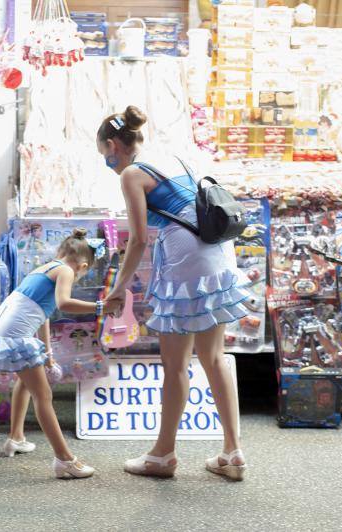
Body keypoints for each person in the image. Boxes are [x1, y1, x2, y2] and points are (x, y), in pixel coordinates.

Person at [97, 106, 250, 480]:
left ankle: (163, 455)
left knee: (176, 364)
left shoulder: (133, 174)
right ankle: (233, 453)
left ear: (115, 145)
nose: (109, 163)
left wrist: (119, 288)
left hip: (185, 263)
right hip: (216, 254)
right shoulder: (176, 154)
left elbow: (136, 241)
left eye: (105, 156)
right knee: (215, 357)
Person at [0, 228, 106, 479]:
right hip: (14, 333)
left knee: (25, 382)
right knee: (43, 394)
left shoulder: (47, 267)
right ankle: (65, 460)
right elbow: (63, 304)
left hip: (4, 327)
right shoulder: (67, 271)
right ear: (82, 265)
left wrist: (48, 355)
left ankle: (16, 438)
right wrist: (100, 306)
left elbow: (42, 315)